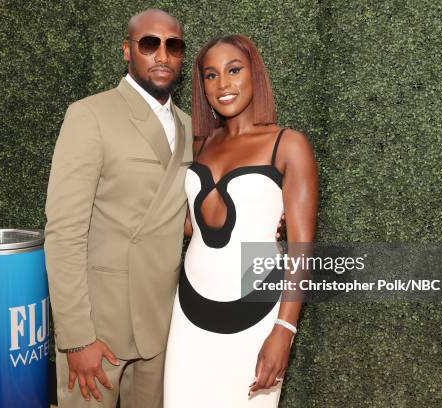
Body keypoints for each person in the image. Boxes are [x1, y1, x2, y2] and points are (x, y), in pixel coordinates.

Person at [44, 9, 192, 408]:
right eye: (149, 44)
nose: (162, 55)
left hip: (161, 322)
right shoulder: (90, 114)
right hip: (100, 326)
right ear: (128, 51)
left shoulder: (189, 126)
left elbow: (188, 218)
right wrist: (76, 337)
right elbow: (64, 232)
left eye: (173, 46)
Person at [164, 34, 318, 407]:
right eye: (210, 75)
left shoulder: (288, 144)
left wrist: (283, 332)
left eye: (234, 70)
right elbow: (191, 225)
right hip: (188, 313)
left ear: (255, 74)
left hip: (258, 315)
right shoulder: (199, 145)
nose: (223, 84)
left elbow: (302, 249)